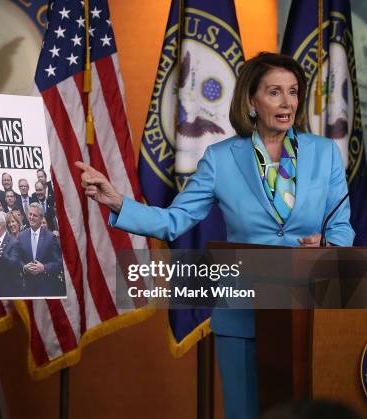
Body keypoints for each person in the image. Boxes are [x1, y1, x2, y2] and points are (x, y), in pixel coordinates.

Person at [75, 53, 355, 419]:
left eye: (293, 92)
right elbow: (174, 220)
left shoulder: (324, 154)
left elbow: (341, 226)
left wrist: (328, 246)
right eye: (274, 92)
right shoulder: (221, 159)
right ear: (251, 100)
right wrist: (118, 202)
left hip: (311, 313)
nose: (287, 102)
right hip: (243, 313)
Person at [17, 203, 63, 297]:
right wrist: (24, 267)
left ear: (41, 218)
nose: (31, 217)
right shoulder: (21, 236)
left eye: (35, 215)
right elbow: (17, 259)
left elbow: (58, 263)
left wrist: (44, 268)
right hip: (28, 288)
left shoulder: (50, 237)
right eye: (30, 214)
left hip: (46, 287)